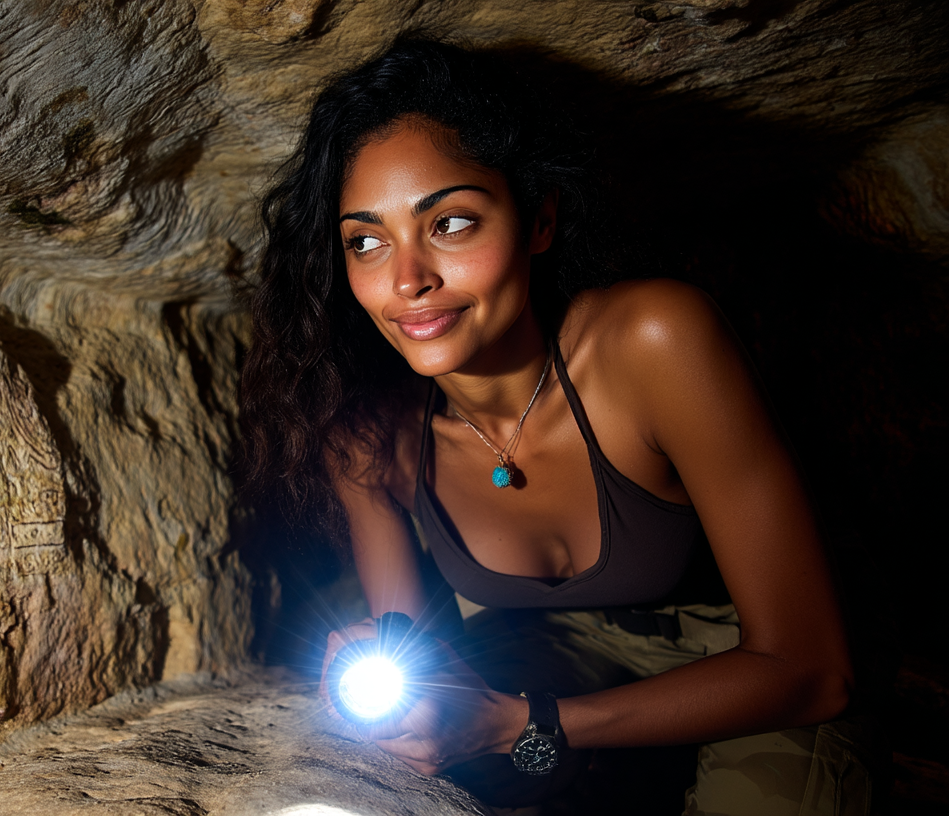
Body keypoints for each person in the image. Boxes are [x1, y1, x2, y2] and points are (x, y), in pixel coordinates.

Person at [238, 39, 877, 814]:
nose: (408, 280)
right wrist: (401, 690)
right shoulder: (371, 441)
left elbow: (815, 669)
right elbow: (422, 675)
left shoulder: (652, 341)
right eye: (366, 241)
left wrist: (531, 724)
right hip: (546, 667)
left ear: (539, 220)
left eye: (451, 223)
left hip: (752, 664)